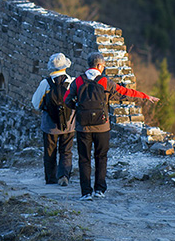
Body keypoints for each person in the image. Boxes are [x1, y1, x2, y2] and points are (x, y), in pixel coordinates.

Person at [65, 52, 158, 200]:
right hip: (102, 126)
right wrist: (146, 96)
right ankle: (99, 190)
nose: (103, 68)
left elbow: (67, 100)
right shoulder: (106, 82)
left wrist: (78, 107)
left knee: (84, 159)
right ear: (99, 65)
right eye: (103, 66)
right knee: (101, 157)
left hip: (83, 127)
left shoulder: (78, 81)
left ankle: (86, 192)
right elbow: (126, 92)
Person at [30, 52, 76, 185]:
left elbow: (35, 103)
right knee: (66, 151)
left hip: (50, 124)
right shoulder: (72, 82)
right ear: (65, 66)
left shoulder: (45, 83)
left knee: (50, 152)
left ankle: (51, 179)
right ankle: (64, 175)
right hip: (68, 124)